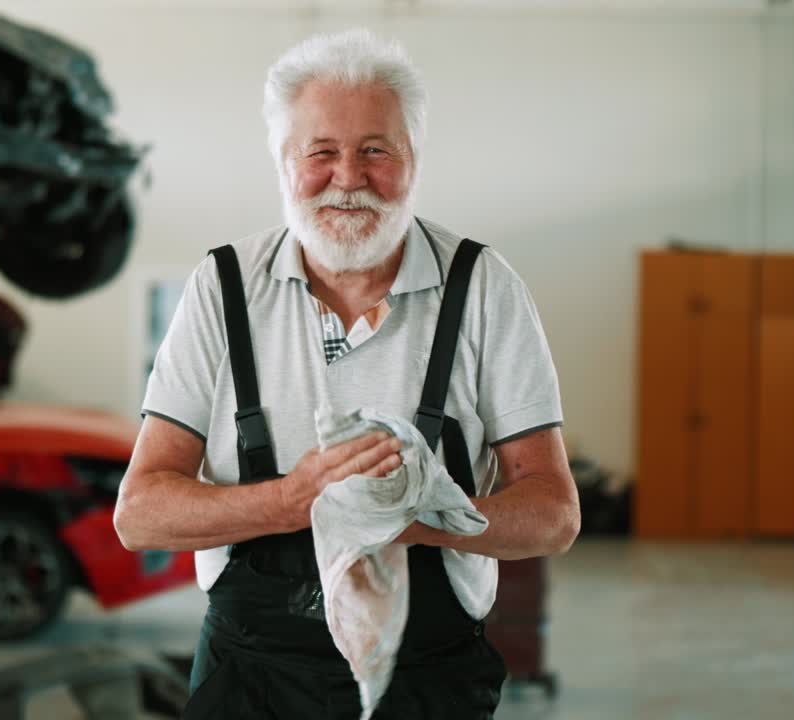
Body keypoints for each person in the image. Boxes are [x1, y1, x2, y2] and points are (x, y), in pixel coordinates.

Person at [114, 28, 580, 720]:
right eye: (322, 152)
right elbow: (140, 514)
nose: (349, 178)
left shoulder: (484, 289)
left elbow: (554, 514)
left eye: (375, 152)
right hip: (251, 681)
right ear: (282, 161)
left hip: (429, 684)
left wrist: (421, 519)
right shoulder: (223, 288)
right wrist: (293, 500)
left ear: (413, 159)